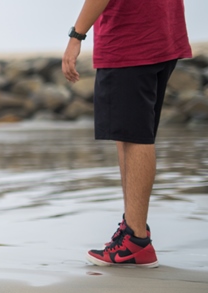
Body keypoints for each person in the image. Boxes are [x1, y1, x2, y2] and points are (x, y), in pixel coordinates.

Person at [61, 0, 191, 267]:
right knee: (131, 135)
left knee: (135, 138)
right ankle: (133, 228)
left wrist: (77, 35)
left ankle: (136, 241)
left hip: (131, 37)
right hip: (163, 32)